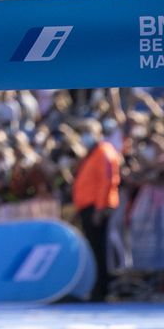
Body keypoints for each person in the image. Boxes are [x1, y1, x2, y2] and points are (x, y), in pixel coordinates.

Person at [73, 118, 122, 301]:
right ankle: (98, 288)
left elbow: (107, 181)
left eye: (87, 132)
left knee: (101, 250)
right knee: (95, 250)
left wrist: (100, 209)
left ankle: (103, 289)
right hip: (89, 207)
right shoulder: (92, 153)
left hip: (98, 208)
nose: (84, 137)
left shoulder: (104, 151)